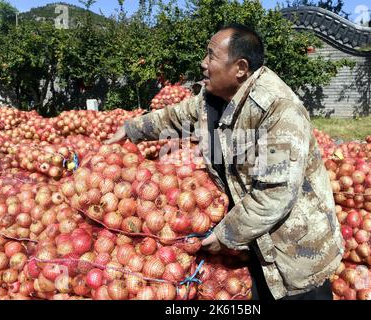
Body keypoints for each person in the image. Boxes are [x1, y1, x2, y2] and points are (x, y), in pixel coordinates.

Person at [105, 23, 344, 300]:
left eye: (211, 56)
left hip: (296, 255)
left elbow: (275, 193)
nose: (203, 63)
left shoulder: (278, 110)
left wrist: (225, 235)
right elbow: (176, 116)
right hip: (255, 243)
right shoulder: (213, 98)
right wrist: (131, 129)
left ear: (240, 68)